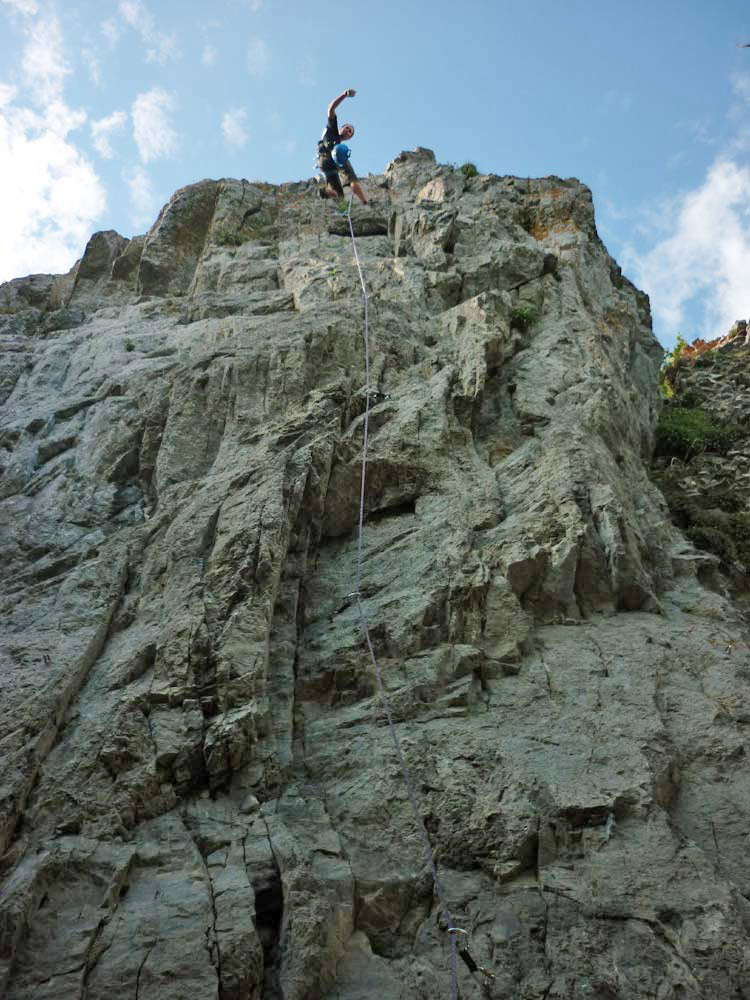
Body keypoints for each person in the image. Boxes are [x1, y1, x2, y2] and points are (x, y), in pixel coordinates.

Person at [317, 88, 368, 208]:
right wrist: (344, 95)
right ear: (341, 129)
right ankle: (365, 201)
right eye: (347, 128)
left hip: (325, 164)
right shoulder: (332, 128)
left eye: (350, 131)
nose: (348, 130)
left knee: (338, 194)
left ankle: (325, 192)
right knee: (351, 176)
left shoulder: (331, 133)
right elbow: (331, 108)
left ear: (349, 137)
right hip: (333, 155)